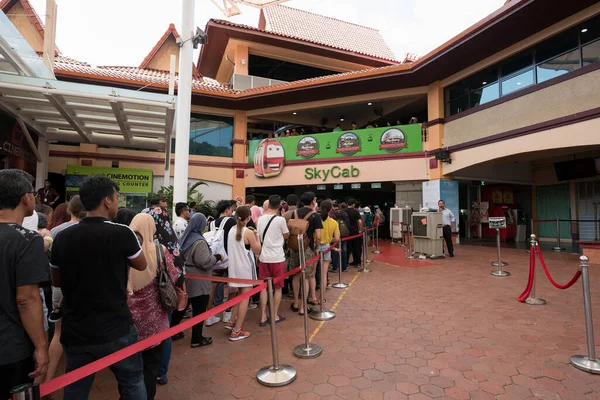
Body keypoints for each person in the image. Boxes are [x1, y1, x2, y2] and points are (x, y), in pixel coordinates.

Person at [50, 175, 148, 399]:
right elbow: (141, 265)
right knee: (132, 382)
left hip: (77, 329)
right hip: (117, 327)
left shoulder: (63, 237)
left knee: (75, 388)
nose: (117, 202)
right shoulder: (123, 233)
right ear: (107, 201)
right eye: (116, 197)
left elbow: (56, 280)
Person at [0, 170, 50, 398]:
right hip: (10, 348)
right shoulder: (27, 240)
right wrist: (41, 346)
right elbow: (27, 299)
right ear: (24, 198)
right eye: (33, 193)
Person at [128, 214, 178, 399]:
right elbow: (172, 276)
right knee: (150, 366)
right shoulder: (159, 250)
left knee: (129, 370)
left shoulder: (123, 250)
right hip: (154, 320)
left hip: (128, 322)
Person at [45, 195, 86, 383]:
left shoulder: (55, 231)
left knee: (58, 333)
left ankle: (47, 380)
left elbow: (51, 262)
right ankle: (80, 376)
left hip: (59, 285)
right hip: (84, 287)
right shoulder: (89, 230)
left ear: (69, 210)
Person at [142, 206, 184, 386]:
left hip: (140, 303)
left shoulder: (136, 245)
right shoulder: (170, 245)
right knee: (164, 333)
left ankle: (144, 371)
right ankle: (160, 372)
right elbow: (177, 273)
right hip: (164, 297)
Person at [179, 213, 223, 347]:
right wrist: (217, 257)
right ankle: (197, 339)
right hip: (199, 281)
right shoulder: (199, 241)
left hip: (186, 278)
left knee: (182, 306)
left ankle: (172, 331)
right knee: (199, 310)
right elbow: (205, 262)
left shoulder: (184, 238)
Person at [226, 206, 261, 341]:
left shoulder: (231, 230)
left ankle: (232, 321)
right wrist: (257, 236)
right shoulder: (248, 232)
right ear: (248, 218)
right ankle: (236, 330)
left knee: (239, 296)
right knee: (244, 298)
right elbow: (257, 250)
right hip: (246, 268)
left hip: (234, 268)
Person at [257, 195, 290, 326]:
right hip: (277, 257)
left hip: (263, 257)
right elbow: (286, 235)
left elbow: (258, 236)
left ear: (269, 204)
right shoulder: (281, 220)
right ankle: (274, 315)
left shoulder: (260, 220)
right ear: (279, 206)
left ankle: (263, 316)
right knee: (278, 288)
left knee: (263, 288)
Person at [289, 192, 322, 315]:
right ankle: (303, 307)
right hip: (308, 248)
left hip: (295, 246)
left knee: (296, 275)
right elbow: (318, 236)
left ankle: (296, 303)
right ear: (313, 201)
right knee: (307, 277)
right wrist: (317, 248)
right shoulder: (315, 215)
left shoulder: (295, 213)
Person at [205, 200, 236, 326]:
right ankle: (227, 313)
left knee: (212, 286)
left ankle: (209, 315)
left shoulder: (211, 223)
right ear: (227, 210)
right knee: (233, 285)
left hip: (216, 258)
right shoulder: (231, 221)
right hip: (230, 257)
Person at [318, 200, 340, 289]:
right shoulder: (334, 222)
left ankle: (313, 296)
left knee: (312, 274)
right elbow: (337, 239)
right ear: (331, 209)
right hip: (327, 247)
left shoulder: (316, 220)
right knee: (324, 274)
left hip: (315, 247)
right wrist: (329, 239)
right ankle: (322, 297)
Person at [330, 202, 349, 273]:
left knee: (335, 250)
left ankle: (335, 267)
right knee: (344, 250)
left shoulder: (332, 214)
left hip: (335, 235)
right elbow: (347, 223)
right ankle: (344, 267)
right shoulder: (344, 213)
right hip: (344, 235)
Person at [345, 199, 363, 268]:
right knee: (356, 248)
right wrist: (360, 230)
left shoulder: (344, 211)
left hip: (347, 232)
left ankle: (345, 263)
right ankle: (357, 262)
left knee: (347, 248)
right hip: (355, 232)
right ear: (353, 204)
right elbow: (360, 222)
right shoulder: (356, 212)